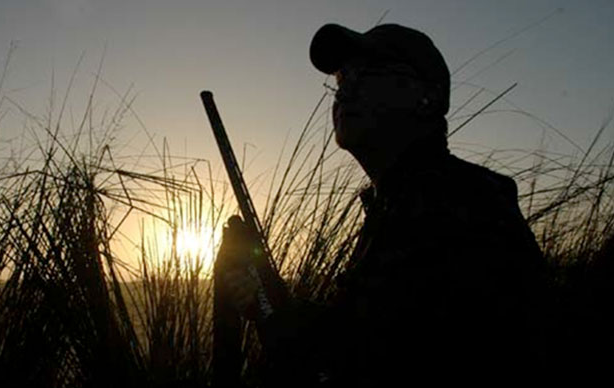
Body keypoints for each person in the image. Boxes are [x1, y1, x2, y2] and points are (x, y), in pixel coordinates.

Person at [217, 23, 549, 385]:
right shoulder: (398, 204)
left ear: (427, 97)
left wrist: (275, 315)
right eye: (343, 80)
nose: (345, 93)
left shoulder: (464, 205)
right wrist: (266, 301)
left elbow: (383, 360)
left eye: (369, 73)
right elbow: (364, 330)